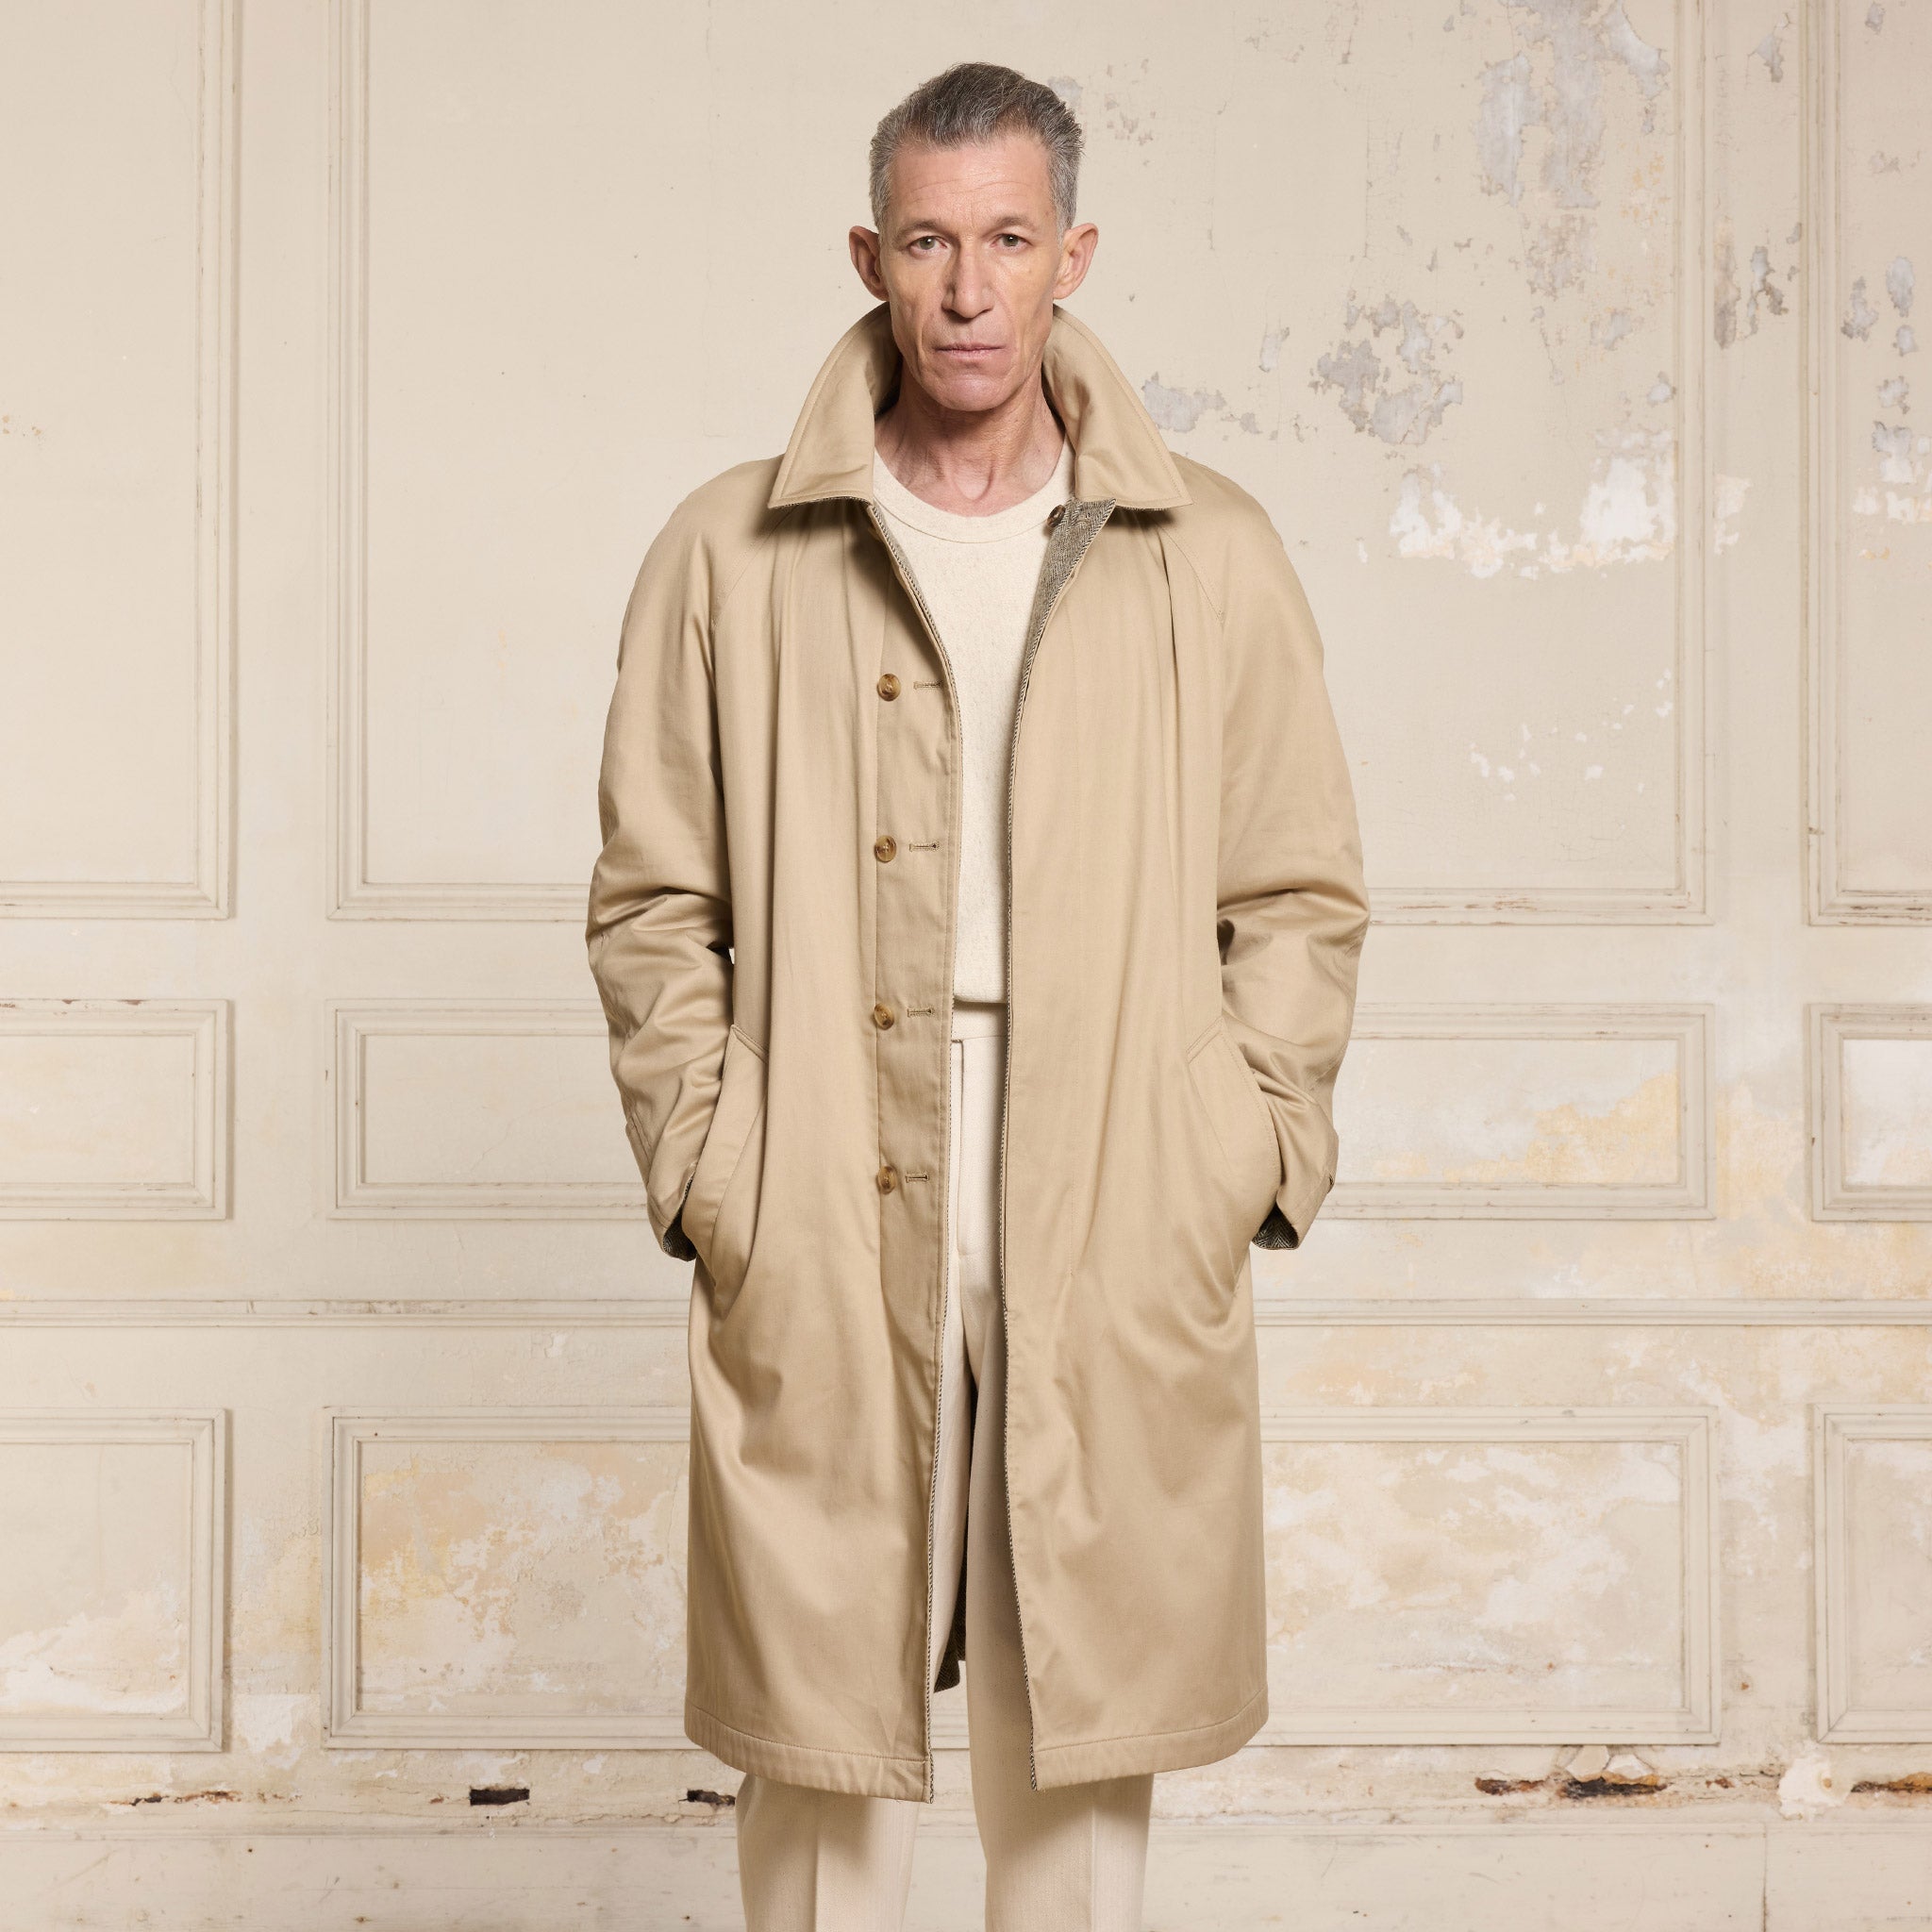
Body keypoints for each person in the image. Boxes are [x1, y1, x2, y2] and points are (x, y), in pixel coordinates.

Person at [586, 58, 1369, 1932]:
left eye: (1007, 240)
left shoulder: (1210, 549)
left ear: (1070, 257)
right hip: (825, 1155)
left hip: (1115, 1158)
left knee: (1077, 1722)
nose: (965, 289)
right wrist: (715, 1159)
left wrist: (1238, 1146)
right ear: (869, 256)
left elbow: (1295, 888)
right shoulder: (727, 550)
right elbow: (654, 897)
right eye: (928, 242)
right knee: (819, 1729)